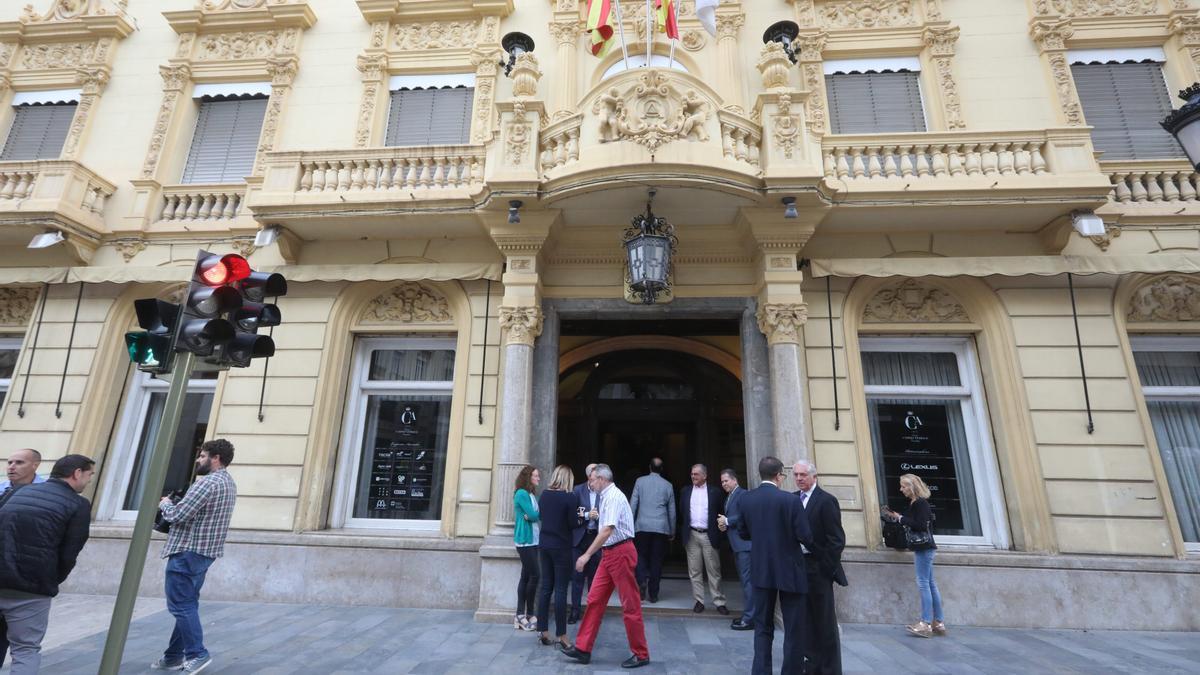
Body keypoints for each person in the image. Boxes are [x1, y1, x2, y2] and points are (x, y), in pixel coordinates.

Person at [0, 454, 94, 675]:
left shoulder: (17, 491)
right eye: (89, 475)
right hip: (31, 589)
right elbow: (70, 552)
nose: (89, 481)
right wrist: (51, 580)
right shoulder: (78, 504)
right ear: (77, 473)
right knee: (26, 650)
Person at [151, 439, 238, 674]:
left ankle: (197, 654)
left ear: (215, 458)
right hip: (205, 553)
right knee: (187, 603)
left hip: (187, 551)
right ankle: (173, 657)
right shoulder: (229, 482)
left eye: (202, 456)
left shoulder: (206, 483)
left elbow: (178, 515)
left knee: (181, 605)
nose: (197, 460)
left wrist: (166, 504)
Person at [562, 464, 650, 669]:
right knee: (594, 600)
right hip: (609, 554)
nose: (590, 483)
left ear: (601, 479)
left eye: (592, 480)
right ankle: (583, 649)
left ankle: (641, 654)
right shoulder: (606, 496)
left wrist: (586, 555)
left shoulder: (612, 497)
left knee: (630, 604)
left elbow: (606, 530)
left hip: (620, 553)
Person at [736, 456, 813, 675]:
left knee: (762, 626)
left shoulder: (746, 500)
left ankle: (761, 671)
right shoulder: (790, 500)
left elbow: (742, 532)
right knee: (794, 627)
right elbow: (805, 535)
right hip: (790, 569)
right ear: (779, 475)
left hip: (761, 568)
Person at [794, 460, 848, 674]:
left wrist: (825, 568)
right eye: (796, 475)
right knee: (805, 621)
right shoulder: (791, 499)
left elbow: (837, 540)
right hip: (798, 568)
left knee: (824, 622)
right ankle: (812, 665)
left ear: (814, 476)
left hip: (819, 569)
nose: (799, 479)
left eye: (803, 475)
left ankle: (829, 669)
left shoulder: (826, 501)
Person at [883, 473, 945, 639]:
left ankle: (925, 623)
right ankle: (938, 622)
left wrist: (900, 518)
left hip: (924, 548)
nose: (901, 489)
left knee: (924, 583)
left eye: (904, 486)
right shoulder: (916, 503)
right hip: (925, 548)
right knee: (930, 583)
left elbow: (920, 524)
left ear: (912, 487)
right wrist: (898, 518)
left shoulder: (920, 503)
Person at [534, 465, 580, 650]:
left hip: (544, 545)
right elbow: (572, 523)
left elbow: (542, 517)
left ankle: (543, 631)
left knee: (546, 588)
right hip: (561, 547)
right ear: (568, 478)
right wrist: (581, 518)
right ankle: (561, 635)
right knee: (561, 591)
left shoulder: (544, 495)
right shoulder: (570, 497)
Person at [678, 463, 727, 614]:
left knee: (714, 570)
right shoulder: (685, 491)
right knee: (694, 570)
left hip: (709, 535)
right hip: (691, 535)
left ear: (705, 475)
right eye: (692, 474)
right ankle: (699, 601)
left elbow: (721, 511)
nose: (693, 476)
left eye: (696, 474)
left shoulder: (715, 492)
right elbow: (682, 512)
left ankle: (719, 601)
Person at [629, 457, 675, 603]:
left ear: (650, 467)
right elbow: (672, 511)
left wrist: (629, 526)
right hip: (661, 528)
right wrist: (672, 530)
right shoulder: (668, 485)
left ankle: (641, 580)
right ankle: (653, 594)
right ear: (661, 469)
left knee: (640, 556)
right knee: (657, 560)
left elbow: (633, 505)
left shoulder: (640, 481)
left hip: (642, 526)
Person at [716, 468, 754, 631]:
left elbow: (746, 515)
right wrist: (724, 524)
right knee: (745, 582)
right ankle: (749, 615)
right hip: (738, 546)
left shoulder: (743, 494)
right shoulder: (730, 496)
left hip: (745, 546)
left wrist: (728, 521)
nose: (724, 484)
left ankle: (750, 618)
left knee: (748, 583)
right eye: (722, 481)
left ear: (734, 480)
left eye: (726, 481)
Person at [568, 463, 600, 624]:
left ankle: (592, 612)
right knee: (577, 576)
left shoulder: (604, 491)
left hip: (597, 539)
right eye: (595, 477)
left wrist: (599, 516)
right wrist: (588, 514)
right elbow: (572, 512)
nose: (598, 480)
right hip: (580, 538)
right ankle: (575, 610)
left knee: (595, 579)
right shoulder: (577, 490)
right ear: (589, 477)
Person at [512, 465, 541, 632]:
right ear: (528, 477)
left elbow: (536, 514)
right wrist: (531, 516)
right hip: (524, 541)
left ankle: (521, 616)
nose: (538, 478)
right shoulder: (521, 493)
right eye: (536, 476)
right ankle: (526, 614)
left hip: (533, 540)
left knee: (526, 576)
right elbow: (535, 515)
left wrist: (531, 516)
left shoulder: (531, 494)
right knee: (535, 575)